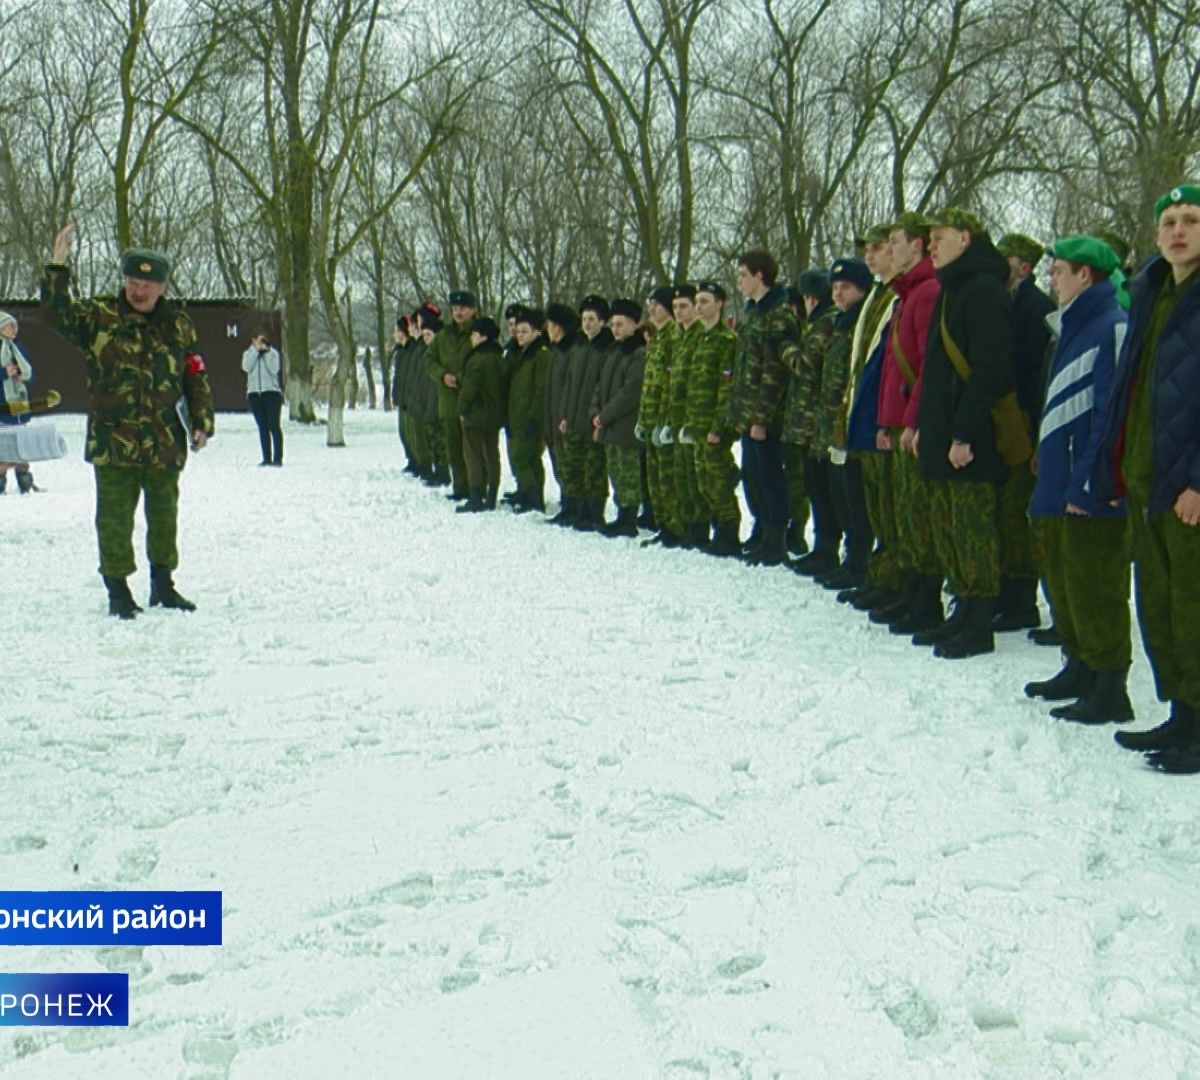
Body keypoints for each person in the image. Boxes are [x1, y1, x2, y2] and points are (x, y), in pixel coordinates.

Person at [41, 225, 214, 618]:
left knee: (164, 516)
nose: (139, 291)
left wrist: (202, 419)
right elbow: (54, 315)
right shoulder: (99, 317)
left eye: (147, 285)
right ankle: (118, 590)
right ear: (124, 281)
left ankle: (163, 585)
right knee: (115, 519)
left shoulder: (179, 325)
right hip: (113, 440)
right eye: (133, 282)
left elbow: (195, 374)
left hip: (163, 440)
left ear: (162, 288)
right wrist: (57, 265)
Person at [1088, 185, 1200, 772]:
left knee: (1194, 604)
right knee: (1158, 603)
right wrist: (1112, 461)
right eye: (1169, 222)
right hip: (1146, 477)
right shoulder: (1151, 292)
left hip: (1188, 487)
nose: (1178, 231)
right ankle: (1182, 714)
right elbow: (1129, 390)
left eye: (1191, 220)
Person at [1022, 236, 1132, 724]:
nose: (1052, 279)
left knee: (1096, 585)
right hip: (1058, 476)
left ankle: (1110, 685)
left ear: (1086, 274)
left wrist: (1091, 481)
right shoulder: (1069, 325)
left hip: (1088, 485)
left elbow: (1112, 415)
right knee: (1065, 581)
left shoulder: (1111, 326)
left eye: (1059, 271)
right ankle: (1079, 664)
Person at [916, 208, 1018, 659]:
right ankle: (961, 611)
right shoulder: (954, 289)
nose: (931, 246)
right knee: (951, 528)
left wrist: (963, 435)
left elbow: (990, 371)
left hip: (970, 441)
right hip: (945, 434)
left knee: (973, 529)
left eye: (938, 237)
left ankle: (978, 623)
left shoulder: (981, 291)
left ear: (966, 237)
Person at [724, 250, 800, 567]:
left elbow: (775, 372)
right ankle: (761, 529)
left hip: (768, 415)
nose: (739, 281)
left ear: (760, 276)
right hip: (749, 411)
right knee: (753, 475)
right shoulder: (753, 312)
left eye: (743, 275)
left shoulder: (778, 314)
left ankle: (776, 537)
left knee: (770, 476)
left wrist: (762, 417)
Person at [592, 297, 647, 537]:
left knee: (628, 473)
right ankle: (620, 513)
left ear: (634, 325)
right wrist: (596, 412)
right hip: (609, 423)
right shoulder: (614, 351)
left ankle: (629, 518)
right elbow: (601, 384)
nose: (615, 329)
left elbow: (630, 392)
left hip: (625, 424)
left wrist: (605, 415)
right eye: (613, 324)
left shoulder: (638, 353)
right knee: (615, 470)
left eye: (621, 324)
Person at [426, 289, 477, 501]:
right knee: (453, 449)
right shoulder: (444, 336)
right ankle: (460, 487)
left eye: (463, 309)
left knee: (472, 450)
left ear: (472, 310)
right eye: (455, 309)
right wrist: (442, 375)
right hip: (448, 400)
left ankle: (476, 487)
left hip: (472, 402)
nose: (459, 312)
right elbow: (430, 360)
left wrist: (463, 378)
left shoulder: (478, 333)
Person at [456, 317, 505, 512]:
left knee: (473, 455)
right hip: (494, 415)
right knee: (492, 455)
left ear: (483, 337)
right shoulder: (500, 359)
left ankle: (476, 495)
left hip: (475, 414)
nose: (471, 338)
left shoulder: (477, 360)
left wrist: (460, 409)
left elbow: (469, 389)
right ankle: (491, 495)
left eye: (475, 334)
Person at [0, 312, 39, 494]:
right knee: (4, 446)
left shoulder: (18, 348)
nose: (15, 330)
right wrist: (3, 372)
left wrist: (23, 374)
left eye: (15, 325)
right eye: (10, 326)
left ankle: (25, 481)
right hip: (2, 407)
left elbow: (30, 372)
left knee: (22, 444)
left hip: (20, 406)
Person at [241, 330, 283, 467]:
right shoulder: (248, 354)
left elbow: (274, 369)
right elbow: (246, 367)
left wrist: (266, 353)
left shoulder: (273, 354)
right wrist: (255, 351)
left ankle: (277, 458)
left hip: (271, 392)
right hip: (255, 393)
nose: (260, 343)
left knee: (274, 425)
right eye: (258, 340)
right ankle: (266, 457)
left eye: (263, 340)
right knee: (262, 427)